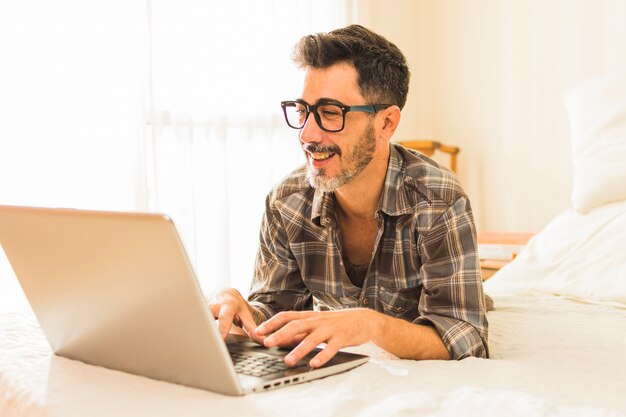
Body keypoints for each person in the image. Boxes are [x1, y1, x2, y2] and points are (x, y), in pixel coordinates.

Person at [209, 24, 488, 368]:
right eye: (302, 111)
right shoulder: (286, 202)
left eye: (330, 113)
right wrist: (240, 312)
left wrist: (370, 324)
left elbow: (466, 335)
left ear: (386, 123)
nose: (307, 134)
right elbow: (277, 312)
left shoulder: (440, 200)